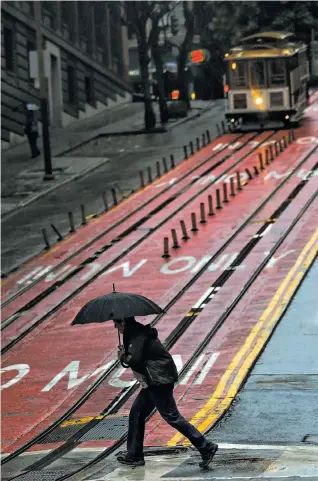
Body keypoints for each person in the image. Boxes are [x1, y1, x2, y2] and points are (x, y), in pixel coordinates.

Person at [114, 317, 218, 468]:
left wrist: (123, 356)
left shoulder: (138, 336)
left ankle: (206, 446)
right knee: (137, 413)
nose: (116, 328)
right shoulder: (134, 334)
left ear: (123, 322)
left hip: (158, 381)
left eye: (116, 324)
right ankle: (134, 455)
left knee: (172, 416)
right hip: (154, 381)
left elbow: (135, 360)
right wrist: (125, 355)